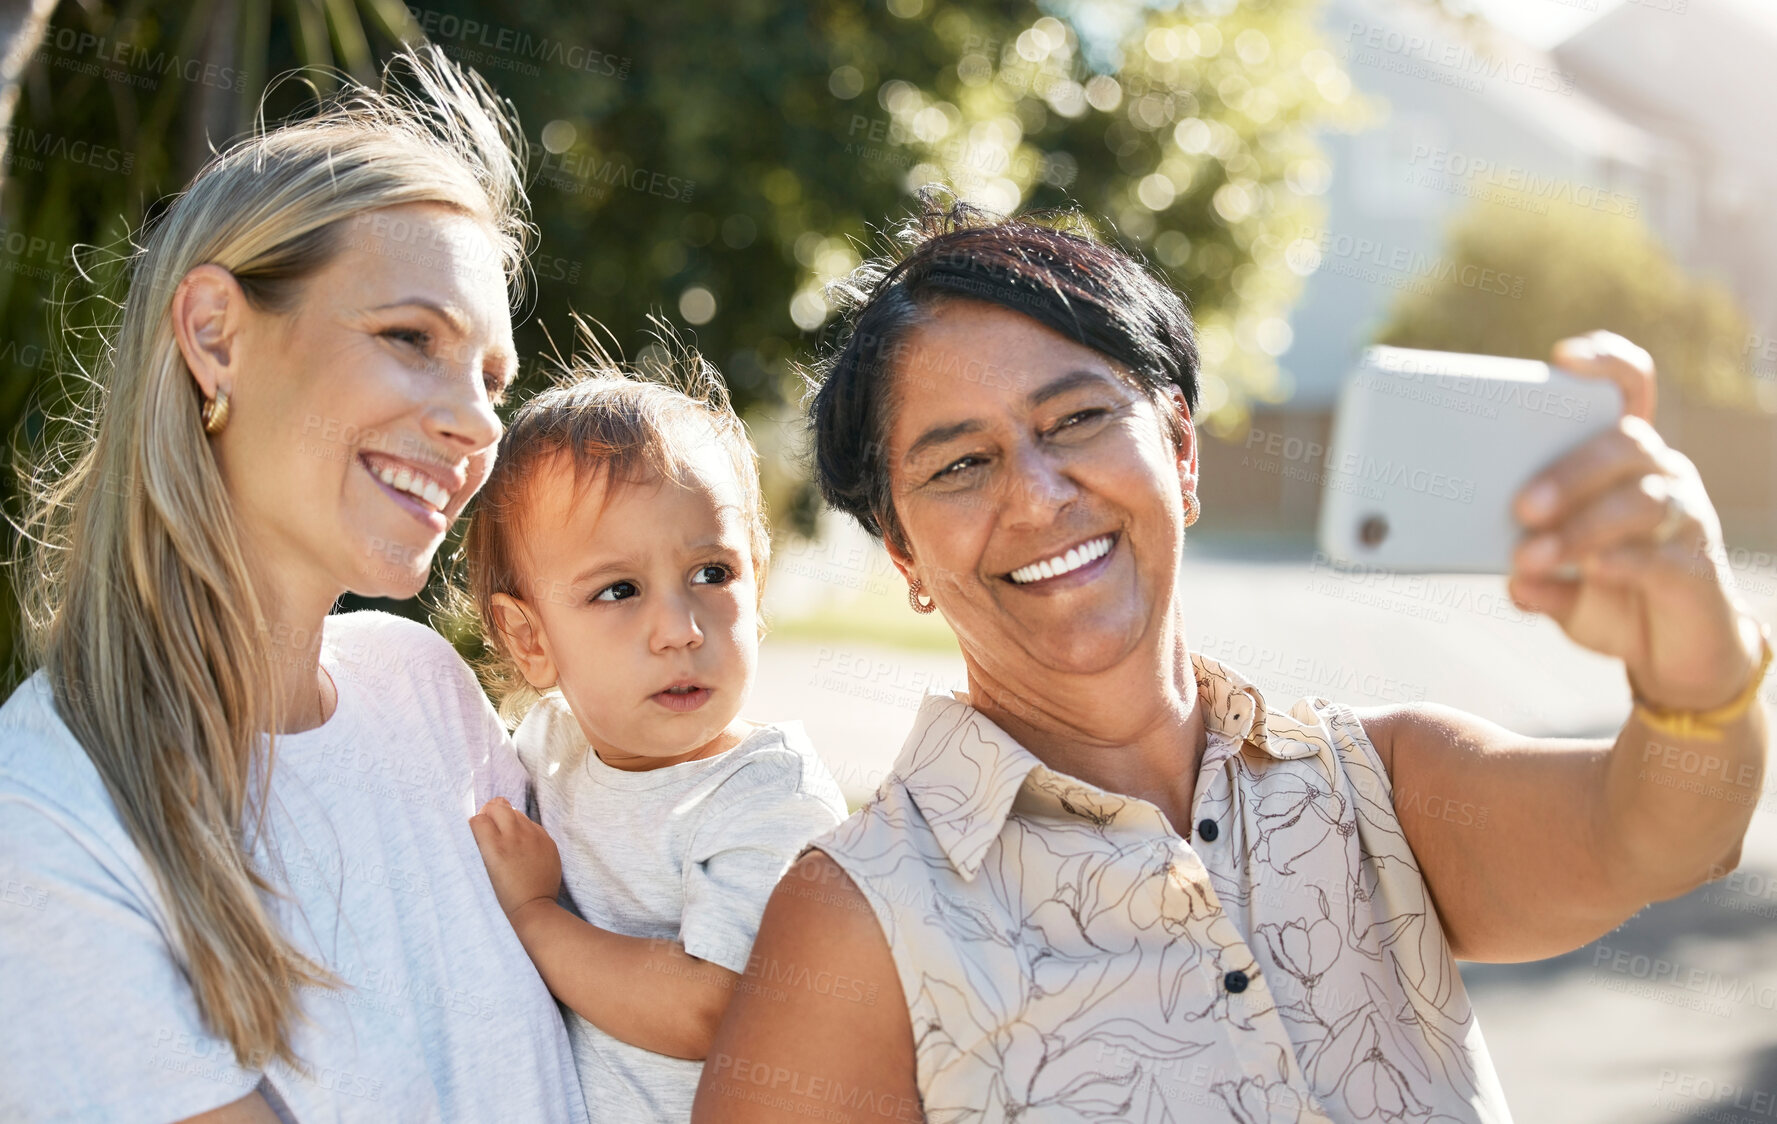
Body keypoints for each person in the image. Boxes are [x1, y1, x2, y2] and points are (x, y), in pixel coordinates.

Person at [694, 197, 1772, 1122]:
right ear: (904, 554)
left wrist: (1692, 664)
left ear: (1180, 452)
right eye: (962, 464)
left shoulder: (1377, 786)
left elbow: (1662, 829)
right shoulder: (862, 916)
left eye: (1074, 418)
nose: (1035, 493)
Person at [0, 49, 586, 1122]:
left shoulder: (430, 695)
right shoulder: (43, 822)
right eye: (411, 337)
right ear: (215, 335)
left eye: (493, 377)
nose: (477, 423)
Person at [460, 354, 848, 1121]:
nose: (679, 628)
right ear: (529, 637)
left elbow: (711, 1005)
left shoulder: (769, 795)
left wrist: (535, 915)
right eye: (618, 590)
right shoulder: (547, 748)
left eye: (712, 573)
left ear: (757, 583)